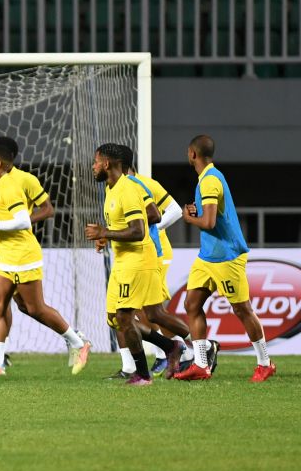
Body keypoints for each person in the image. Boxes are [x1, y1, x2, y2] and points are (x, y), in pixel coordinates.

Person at [0, 136, 91, 377]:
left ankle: (77, 341)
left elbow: (22, 220)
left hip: (24, 256)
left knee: (35, 309)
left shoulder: (13, 185)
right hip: (5, 256)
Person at [176, 135, 276, 382]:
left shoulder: (210, 181)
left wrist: (189, 219)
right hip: (208, 256)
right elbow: (211, 216)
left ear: (192, 154)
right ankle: (201, 364)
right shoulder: (207, 179)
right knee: (191, 304)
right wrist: (195, 211)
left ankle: (265, 363)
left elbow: (209, 223)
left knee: (242, 309)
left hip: (226, 257)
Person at [84, 144, 171, 386]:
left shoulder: (127, 190)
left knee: (128, 318)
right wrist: (105, 237)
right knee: (114, 318)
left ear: (108, 164)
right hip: (122, 261)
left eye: (96, 161)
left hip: (137, 261)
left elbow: (138, 230)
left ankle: (143, 375)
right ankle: (171, 347)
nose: (93, 166)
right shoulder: (111, 190)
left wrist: (105, 231)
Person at [116, 145, 195, 378]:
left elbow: (174, 210)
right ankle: (151, 359)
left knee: (150, 311)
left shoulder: (143, 183)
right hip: (137, 254)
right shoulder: (118, 189)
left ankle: (189, 350)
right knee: (137, 311)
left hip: (156, 253)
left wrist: (151, 229)